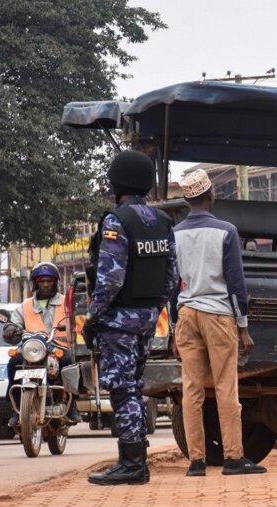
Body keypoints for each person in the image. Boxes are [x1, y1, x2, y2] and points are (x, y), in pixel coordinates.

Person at [85, 150, 178, 486]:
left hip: (119, 321)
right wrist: (152, 311)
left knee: (122, 391)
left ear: (117, 182)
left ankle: (132, 463)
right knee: (134, 388)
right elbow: (171, 279)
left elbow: (109, 279)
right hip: (147, 319)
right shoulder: (164, 221)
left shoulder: (117, 221)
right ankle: (134, 460)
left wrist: (92, 318)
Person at [173, 169, 266, 476]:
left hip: (186, 314)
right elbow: (236, 284)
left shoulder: (175, 234)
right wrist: (243, 328)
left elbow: (172, 284)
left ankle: (196, 461)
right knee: (226, 387)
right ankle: (233, 457)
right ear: (211, 196)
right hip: (218, 313)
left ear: (188, 201)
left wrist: (175, 328)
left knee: (192, 389)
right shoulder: (226, 231)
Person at [2, 262, 78, 427]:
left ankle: (72, 406)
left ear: (55, 282)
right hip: (32, 348)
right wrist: (10, 328)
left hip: (58, 347)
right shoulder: (26, 305)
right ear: (35, 283)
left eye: (49, 281)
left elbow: (78, 321)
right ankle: (16, 410)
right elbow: (14, 322)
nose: (45, 284)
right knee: (13, 363)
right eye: (41, 281)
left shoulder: (67, 302)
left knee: (69, 363)